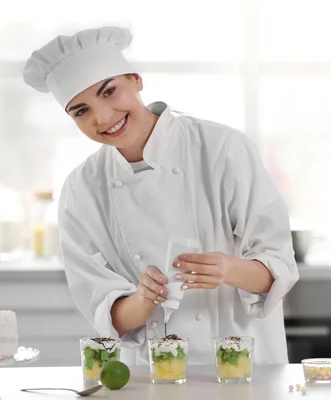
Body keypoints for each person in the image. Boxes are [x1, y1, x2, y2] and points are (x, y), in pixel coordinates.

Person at [22, 26, 299, 366]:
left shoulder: (222, 149)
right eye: (81, 111)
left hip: (241, 366)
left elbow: (280, 265)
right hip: (153, 374)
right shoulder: (81, 190)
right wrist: (144, 298)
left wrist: (228, 269)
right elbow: (108, 315)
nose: (103, 117)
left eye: (109, 92)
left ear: (136, 80)